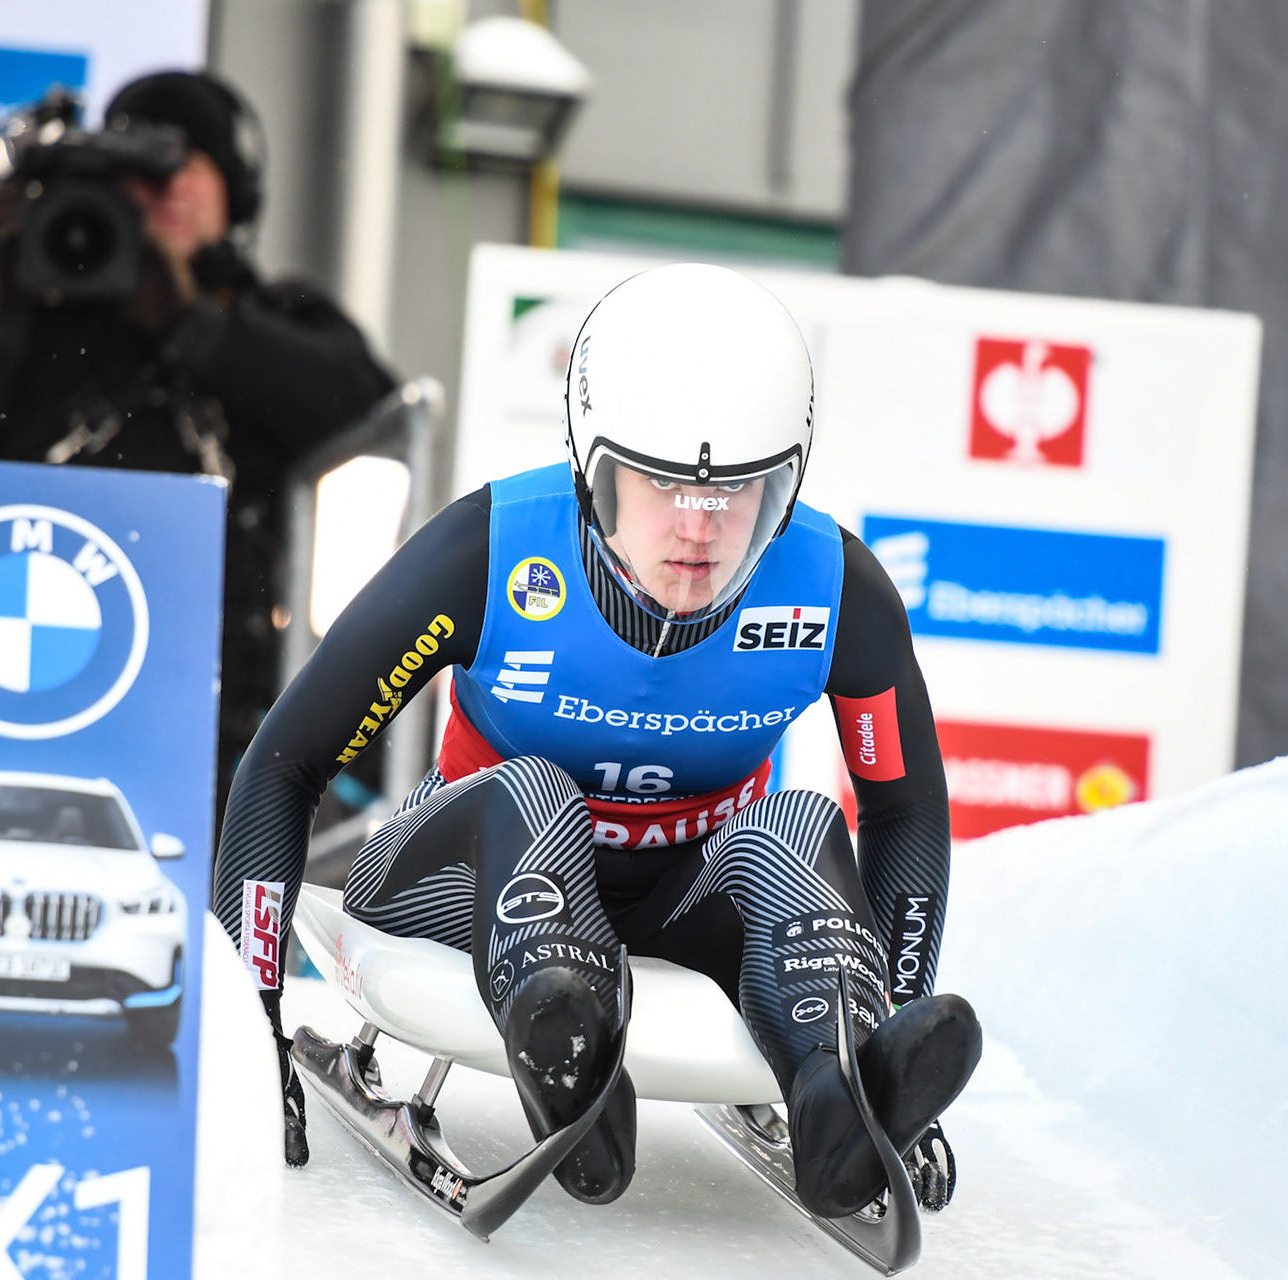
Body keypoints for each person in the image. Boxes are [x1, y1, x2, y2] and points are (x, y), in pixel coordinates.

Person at [213, 264, 981, 1216]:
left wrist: (904, 1007)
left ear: (789, 483)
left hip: (682, 892)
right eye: (658, 487)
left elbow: (905, 806)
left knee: (798, 822)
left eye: (741, 496)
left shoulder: (834, 587)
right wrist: (250, 1023)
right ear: (593, 467)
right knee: (537, 792)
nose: (698, 533)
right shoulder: (491, 546)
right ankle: (566, 1039)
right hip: (472, 875)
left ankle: (844, 1095)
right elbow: (287, 763)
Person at [0, 70, 398, 817]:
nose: (157, 193)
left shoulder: (281, 319)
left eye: (181, 166)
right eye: (135, 172)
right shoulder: (31, 325)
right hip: (15, 710)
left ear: (235, 192)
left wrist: (192, 321)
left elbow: (367, 415)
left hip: (226, 738)